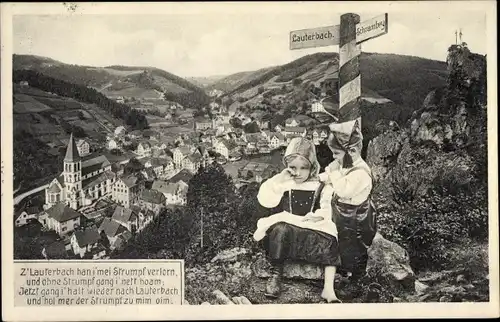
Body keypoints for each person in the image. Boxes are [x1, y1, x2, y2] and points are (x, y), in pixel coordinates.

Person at [253, 137, 341, 303]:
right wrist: (280, 178)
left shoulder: (319, 185)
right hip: (288, 227)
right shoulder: (285, 183)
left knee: (330, 236)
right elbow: (265, 199)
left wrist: (318, 215)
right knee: (280, 230)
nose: (298, 173)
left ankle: (328, 288)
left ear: (312, 167)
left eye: (304, 168)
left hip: (308, 226)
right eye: (293, 167)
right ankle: (276, 274)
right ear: (287, 167)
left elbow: (326, 206)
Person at [320, 119, 378, 289]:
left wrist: (332, 172)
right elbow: (335, 175)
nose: (333, 157)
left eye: (336, 153)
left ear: (351, 151)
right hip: (344, 214)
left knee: (358, 246)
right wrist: (324, 176)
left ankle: (357, 281)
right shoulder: (347, 164)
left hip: (358, 217)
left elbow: (343, 189)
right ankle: (345, 273)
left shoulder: (361, 172)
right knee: (344, 244)